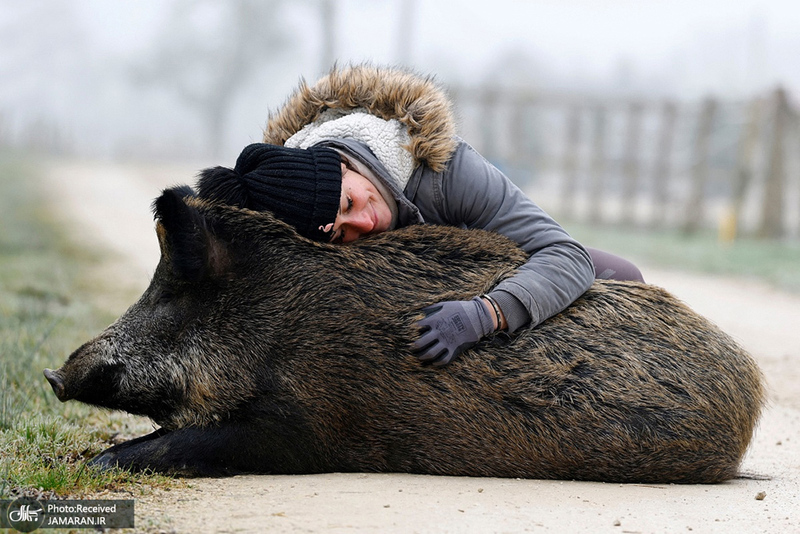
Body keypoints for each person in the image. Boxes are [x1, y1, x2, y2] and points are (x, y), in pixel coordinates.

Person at [197, 64, 644, 367]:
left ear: (343, 163)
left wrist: (486, 314)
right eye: (340, 233)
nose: (365, 224)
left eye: (350, 202)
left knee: (623, 275)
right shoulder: (296, 230)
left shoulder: (446, 170)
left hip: (492, 282)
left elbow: (564, 254)